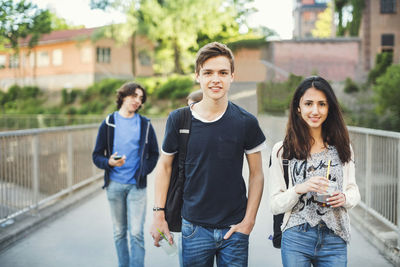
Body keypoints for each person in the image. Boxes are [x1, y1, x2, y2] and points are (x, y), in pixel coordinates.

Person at [150, 42, 266, 267]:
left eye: (223, 72)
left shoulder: (246, 122)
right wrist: (158, 215)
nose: (216, 79)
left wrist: (248, 222)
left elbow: (257, 174)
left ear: (232, 76)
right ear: (197, 76)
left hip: (234, 230)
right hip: (193, 228)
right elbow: (164, 167)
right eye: (208, 72)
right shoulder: (178, 120)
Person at [269, 76, 360, 267]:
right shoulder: (282, 150)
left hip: (335, 237)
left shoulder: (343, 147)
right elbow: (275, 205)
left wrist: (344, 198)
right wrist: (299, 189)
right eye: (308, 103)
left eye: (322, 104)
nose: (315, 111)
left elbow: (353, 191)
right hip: (296, 236)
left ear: (330, 108)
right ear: (298, 107)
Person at [92, 82, 159, 267]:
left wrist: (143, 171)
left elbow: (154, 153)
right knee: (119, 232)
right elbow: (96, 156)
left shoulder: (145, 124)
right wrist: (109, 163)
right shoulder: (108, 123)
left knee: (136, 233)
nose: (138, 101)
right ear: (123, 96)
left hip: (137, 187)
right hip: (114, 185)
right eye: (134, 96)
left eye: (141, 98)